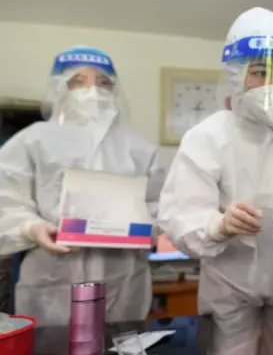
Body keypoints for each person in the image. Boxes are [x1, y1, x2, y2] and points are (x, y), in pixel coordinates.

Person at [157, 7, 273, 355]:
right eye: (260, 72)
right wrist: (218, 225)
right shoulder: (208, 137)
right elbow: (179, 214)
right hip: (228, 290)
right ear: (235, 75)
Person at [0, 46, 165, 326]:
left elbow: (160, 205)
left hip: (124, 280)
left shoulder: (139, 148)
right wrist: (32, 227)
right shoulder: (33, 141)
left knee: (119, 342)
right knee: (51, 344)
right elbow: (6, 199)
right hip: (52, 280)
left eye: (103, 83)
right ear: (59, 89)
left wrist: (148, 228)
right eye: (78, 81)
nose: (93, 91)